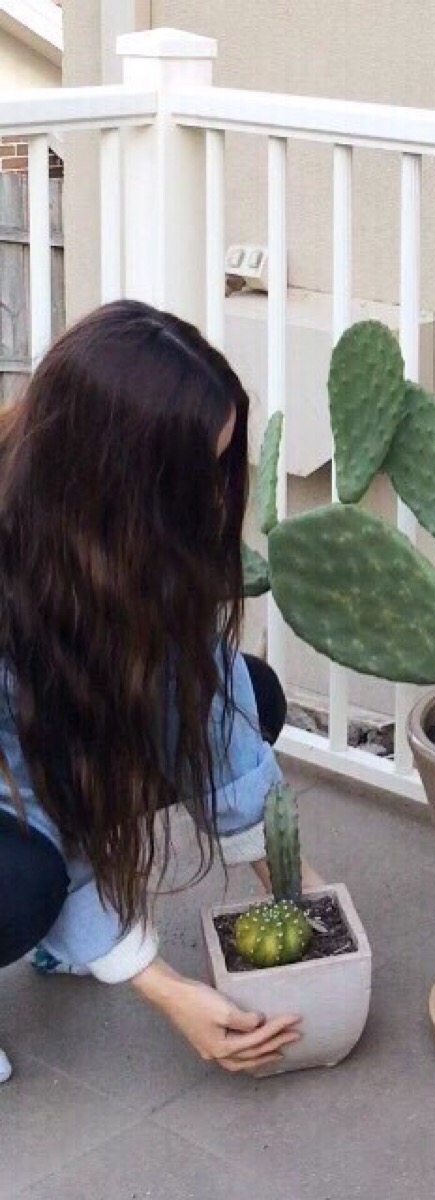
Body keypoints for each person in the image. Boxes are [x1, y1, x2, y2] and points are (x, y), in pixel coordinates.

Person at [0, 300, 316, 1081]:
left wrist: (303, 896)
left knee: (253, 694)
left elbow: (205, 699)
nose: (217, 499)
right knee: (20, 881)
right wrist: (165, 988)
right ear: (116, 484)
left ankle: (65, 933)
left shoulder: (102, 539)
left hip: (24, 743)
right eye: (196, 478)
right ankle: (52, 925)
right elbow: (32, 788)